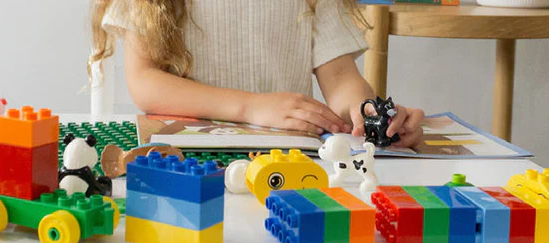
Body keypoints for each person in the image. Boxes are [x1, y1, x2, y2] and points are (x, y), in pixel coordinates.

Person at [88, 0, 425, 148]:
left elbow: (339, 77)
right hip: (183, 159)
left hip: (290, 158)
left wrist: (369, 115)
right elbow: (144, 81)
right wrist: (251, 106)